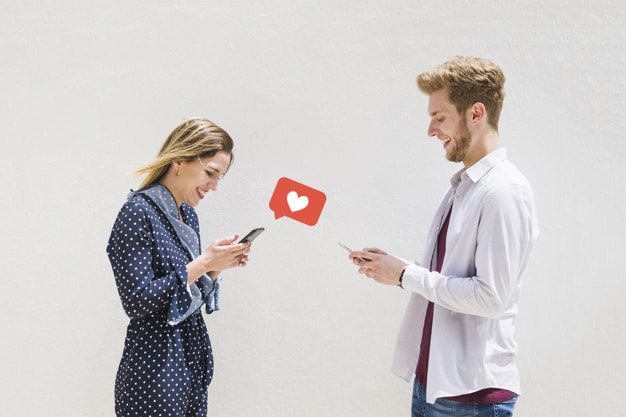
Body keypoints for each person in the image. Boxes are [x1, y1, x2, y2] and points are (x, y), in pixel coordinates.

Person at [348, 56, 538, 417]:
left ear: (475, 114)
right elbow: (451, 274)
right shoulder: (465, 187)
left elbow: (490, 297)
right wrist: (396, 268)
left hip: (471, 398)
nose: (431, 130)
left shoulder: (504, 192)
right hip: (434, 385)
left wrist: (406, 276)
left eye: (439, 117)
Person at [107, 118, 252, 417]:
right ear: (178, 161)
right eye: (210, 173)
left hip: (190, 362)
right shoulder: (137, 212)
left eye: (219, 178)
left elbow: (184, 295)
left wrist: (216, 268)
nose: (213, 186)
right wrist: (204, 262)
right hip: (154, 369)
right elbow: (136, 301)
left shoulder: (187, 215)